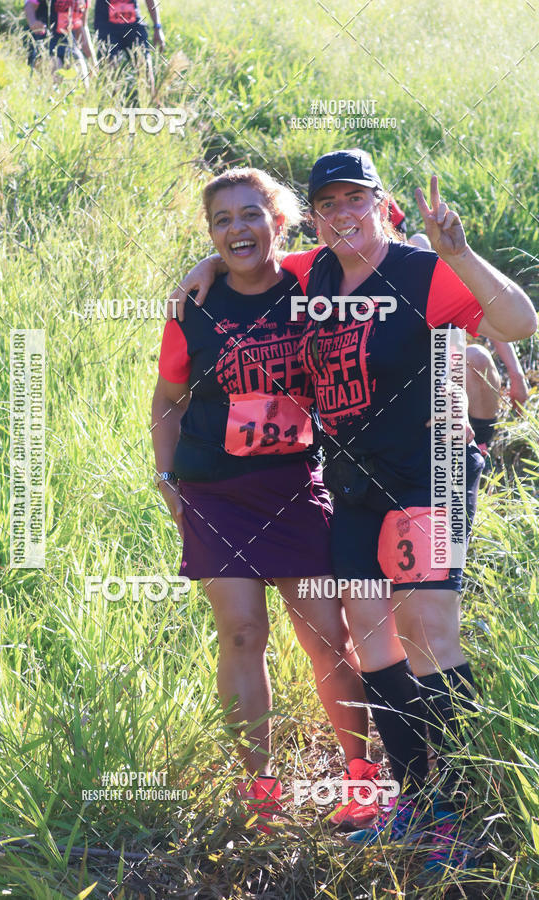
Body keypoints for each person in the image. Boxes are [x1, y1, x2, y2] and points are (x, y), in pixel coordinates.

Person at [167, 150, 536, 870]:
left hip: (428, 471)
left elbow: (517, 322)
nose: (343, 216)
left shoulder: (423, 272)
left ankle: (457, 809)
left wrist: (460, 253)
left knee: (427, 629)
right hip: (354, 483)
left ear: (382, 204)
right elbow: (251, 255)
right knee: (372, 636)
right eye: (328, 205)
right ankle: (417, 798)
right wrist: (198, 272)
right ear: (315, 216)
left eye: (355, 201)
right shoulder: (315, 275)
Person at [151, 167, 383, 834]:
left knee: (327, 638)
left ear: (278, 221)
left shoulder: (316, 283)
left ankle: (361, 781)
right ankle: (261, 791)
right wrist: (168, 482)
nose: (236, 230)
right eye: (221, 222)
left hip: (292, 486)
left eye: (250, 215)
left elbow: (355, 251)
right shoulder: (193, 308)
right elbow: (166, 403)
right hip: (214, 491)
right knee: (242, 632)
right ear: (210, 233)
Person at [408, 234, 530, 458]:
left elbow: (493, 320)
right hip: (410, 386)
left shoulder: (444, 283)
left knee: (476, 357)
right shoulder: (391, 290)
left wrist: (517, 375)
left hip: (448, 374)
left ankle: (480, 447)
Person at [93, 0, 164, 93]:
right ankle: (111, 105)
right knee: (110, 73)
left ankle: (150, 104)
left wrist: (157, 28)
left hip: (133, 25)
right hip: (107, 27)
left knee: (145, 68)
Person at [24, 0, 96, 79]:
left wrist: (92, 59)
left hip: (70, 43)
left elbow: (81, 26)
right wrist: (32, 21)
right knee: (56, 69)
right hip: (46, 41)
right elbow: (30, 5)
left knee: (82, 76)